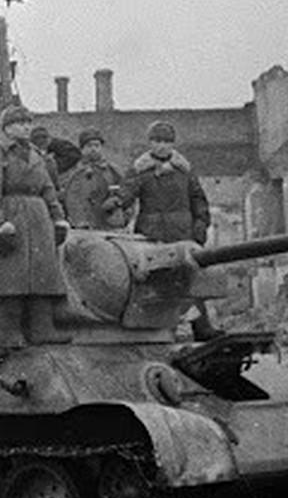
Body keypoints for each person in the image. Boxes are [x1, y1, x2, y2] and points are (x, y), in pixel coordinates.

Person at [0, 104, 72, 344]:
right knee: (11, 276)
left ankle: (43, 329)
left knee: (43, 275)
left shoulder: (37, 155)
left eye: (29, 122)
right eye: (20, 123)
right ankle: (10, 331)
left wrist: (58, 218)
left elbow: (49, 189)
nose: (26, 127)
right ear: (7, 128)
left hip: (39, 219)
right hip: (12, 217)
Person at [110, 119, 214, 337]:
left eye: (167, 141)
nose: (162, 146)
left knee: (190, 282)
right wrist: (116, 202)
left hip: (182, 233)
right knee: (155, 285)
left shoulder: (184, 172)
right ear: (149, 143)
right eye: (157, 140)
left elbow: (198, 200)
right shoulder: (140, 171)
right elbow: (128, 193)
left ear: (173, 144)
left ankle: (202, 328)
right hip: (152, 234)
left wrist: (200, 225)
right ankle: (160, 330)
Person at [59, 127, 124, 230]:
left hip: (107, 224)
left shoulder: (113, 171)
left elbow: (126, 192)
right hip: (80, 225)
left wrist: (116, 201)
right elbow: (66, 197)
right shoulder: (72, 172)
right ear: (82, 148)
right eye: (89, 146)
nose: (93, 149)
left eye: (97, 145)